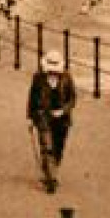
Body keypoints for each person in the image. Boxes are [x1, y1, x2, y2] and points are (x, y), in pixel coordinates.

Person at [27, 50, 78, 193]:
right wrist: (30, 118)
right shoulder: (38, 77)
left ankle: (51, 171)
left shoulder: (67, 77)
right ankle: (50, 179)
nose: (53, 73)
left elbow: (73, 98)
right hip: (43, 116)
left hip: (62, 120)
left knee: (58, 148)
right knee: (46, 146)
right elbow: (32, 96)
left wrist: (63, 111)